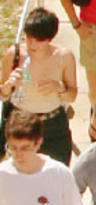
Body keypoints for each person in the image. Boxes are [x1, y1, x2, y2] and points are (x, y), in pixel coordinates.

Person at [0, 7, 77, 165]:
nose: (32, 44)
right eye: (29, 38)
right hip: (20, 122)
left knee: (56, 174)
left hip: (52, 124)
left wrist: (58, 87)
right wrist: (9, 85)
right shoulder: (14, 55)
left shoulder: (63, 57)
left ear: (49, 39)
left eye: (38, 40)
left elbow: (72, 95)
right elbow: (2, 94)